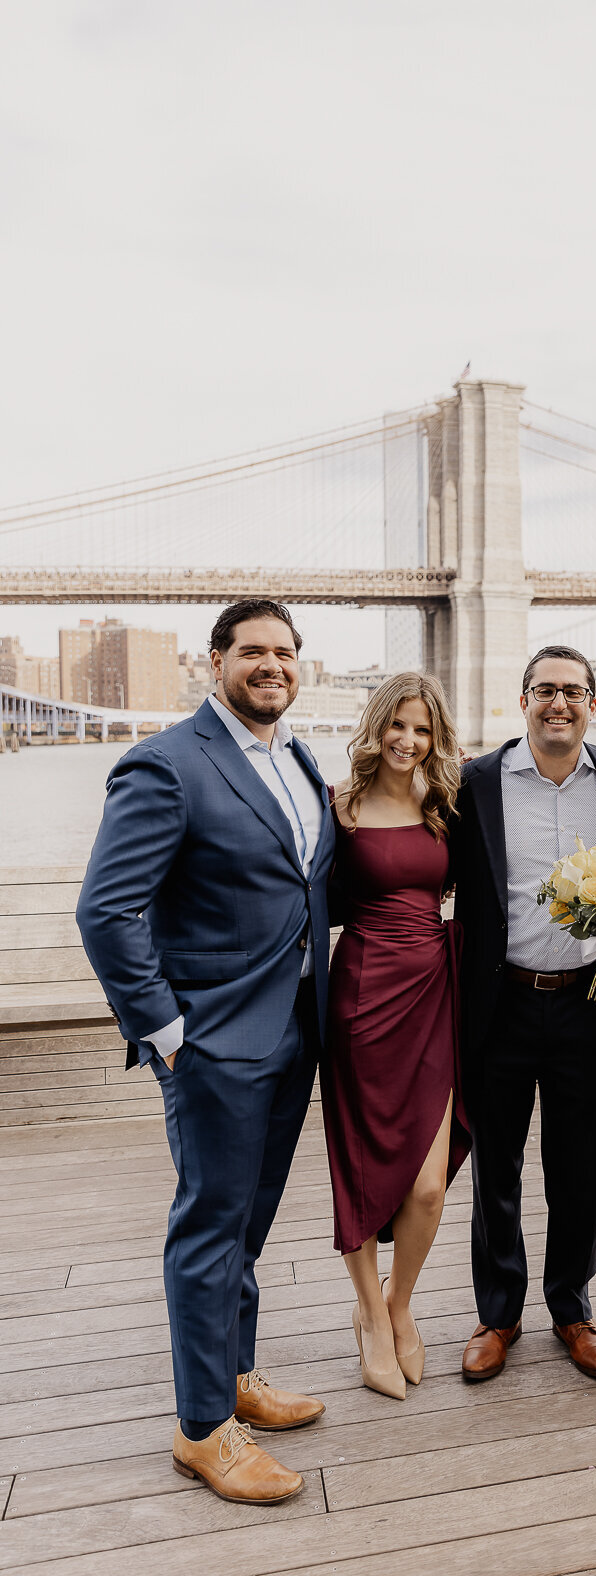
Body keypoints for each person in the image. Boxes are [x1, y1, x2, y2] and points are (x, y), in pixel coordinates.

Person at [76, 599, 334, 1504]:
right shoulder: (167, 764)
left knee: (247, 1224)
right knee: (207, 1230)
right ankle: (200, 1429)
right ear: (214, 662)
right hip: (216, 1043)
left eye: (285, 652)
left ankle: (236, 1374)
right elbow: (106, 910)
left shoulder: (296, 758)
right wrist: (168, 1032)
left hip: (295, 1028)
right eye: (251, 652)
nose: (271, 665)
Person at [449, 646, 596, 1381]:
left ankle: (571, 1307)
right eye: (545, 690)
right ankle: (498, 1313)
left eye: (574, 692)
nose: (559, 703)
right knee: (496, 1164)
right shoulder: (475, 783)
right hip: (501, 1001)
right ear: (521, 700)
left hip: (589, 1000)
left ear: (593, 703)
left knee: (582, 1165)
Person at [320, 672, 469, 1401]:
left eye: (422, 730)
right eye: (397, 727)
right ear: (376, 729)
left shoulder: (445, 805)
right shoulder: (337, 808)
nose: (408, 742)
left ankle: (399, 1301)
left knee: (429, 1187)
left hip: (433, 993)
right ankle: (370, 1320)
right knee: (361, 1167)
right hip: (362, 997)